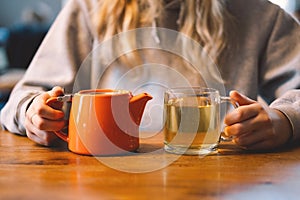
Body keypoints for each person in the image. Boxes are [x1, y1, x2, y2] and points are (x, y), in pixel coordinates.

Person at [0, 0, 299, 151]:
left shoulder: (260, 15)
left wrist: (284, 120)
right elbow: (26, 96)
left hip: (225, 179)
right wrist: (32, 112)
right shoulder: (89, 8)